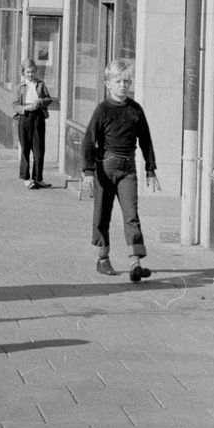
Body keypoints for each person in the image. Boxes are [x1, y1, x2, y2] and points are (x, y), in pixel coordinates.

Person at [81, 59, 161, 282]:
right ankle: (103, 258)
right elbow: (89, 141)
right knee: (102, 214)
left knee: (131, 215)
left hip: (128, 170)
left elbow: (145, 141)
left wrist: (150, 169)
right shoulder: (102, 110)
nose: (123, 85)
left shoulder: (135, 109)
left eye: (127, 81)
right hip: (105, 168)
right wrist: (88, 172)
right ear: (108, 84)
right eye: (118, 82)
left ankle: (135, 263)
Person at [12, 58, 53, 189]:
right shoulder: (19, 87)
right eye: (28, 72)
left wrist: (41, 101)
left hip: (38, 117)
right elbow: (14, 105)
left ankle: (38, 178)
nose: (30, 74)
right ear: (23, 72)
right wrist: (25, 108)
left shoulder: (40, 84)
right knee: (25, 148)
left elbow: (48, 99)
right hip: (25, 117)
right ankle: (26, 178)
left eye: (32, 72)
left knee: (39, 149)